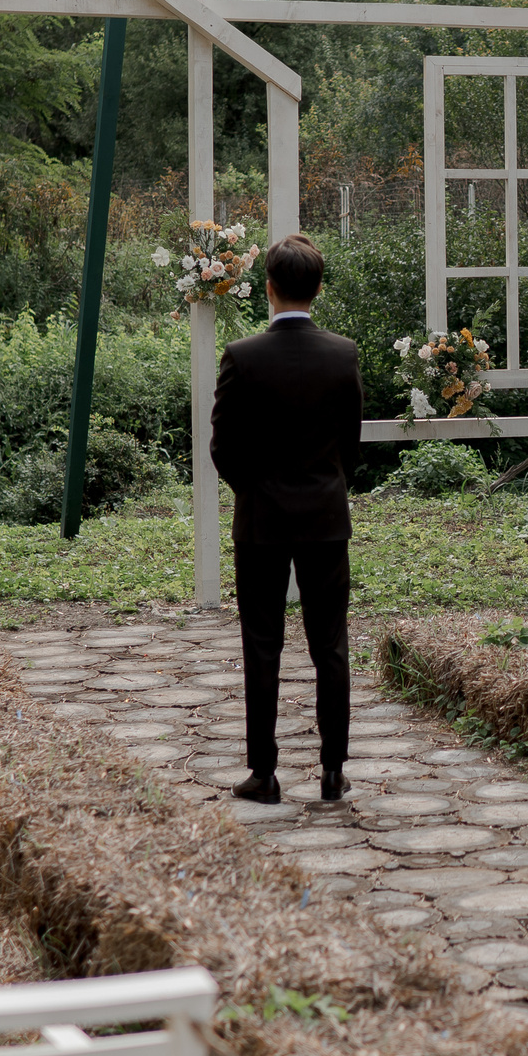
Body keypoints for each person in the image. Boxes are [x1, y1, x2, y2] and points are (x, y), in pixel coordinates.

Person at [209, 232, 363, 803]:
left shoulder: (242, 356)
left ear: (267, 288)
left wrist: (255, 490)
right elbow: (351, 444)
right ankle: (331, 770)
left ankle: (264, 773)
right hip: (325, 514)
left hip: (262, 519)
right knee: (331, 644)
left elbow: (223, 447)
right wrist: (326, 483)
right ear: (317, 288)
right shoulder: (341, 353)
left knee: (262, 643)